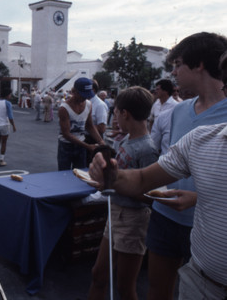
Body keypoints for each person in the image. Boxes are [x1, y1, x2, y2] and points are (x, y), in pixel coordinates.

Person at [88, 119, 227, 299]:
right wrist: (111, 176)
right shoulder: (201, 139)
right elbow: (143, 179)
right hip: (200, 285)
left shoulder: (147, 147)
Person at [145, 32, 227, 300]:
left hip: (205, 229)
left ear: (199, 64)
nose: (173, 72)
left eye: (178, 63)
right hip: (164, 215)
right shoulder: (178, 111)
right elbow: (169, 161)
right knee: (157, 291)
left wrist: (198, 198)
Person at [87, 87, 159, 300]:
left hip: (133, 219)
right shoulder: (125, 140)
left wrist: (114, 185)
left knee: (124, 287)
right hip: (115, 212)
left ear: (124, 113)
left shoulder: (147, 149)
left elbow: (151, 196)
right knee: (98, 275)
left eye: (116, 112)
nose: (114, 117)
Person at [57, 77, 104, 171]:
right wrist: (88, 146)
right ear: (74, 92)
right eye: (82, 95)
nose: (85, 98)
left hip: (81, 146)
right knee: (63, 174)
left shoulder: (88, 104)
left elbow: (89, 126)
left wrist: (101, 141)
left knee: (81, 173)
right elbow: (66, 134)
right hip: (66, 146)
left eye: (87, 95)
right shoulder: (64, 108)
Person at [0, 87, 17, 167]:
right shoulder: (7, 103)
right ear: (7, 95)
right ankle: (1, 160)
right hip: (4, 124)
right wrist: (14, 126)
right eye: (10, 95)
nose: (10, 96)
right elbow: (10, 116)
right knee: (4, 142)